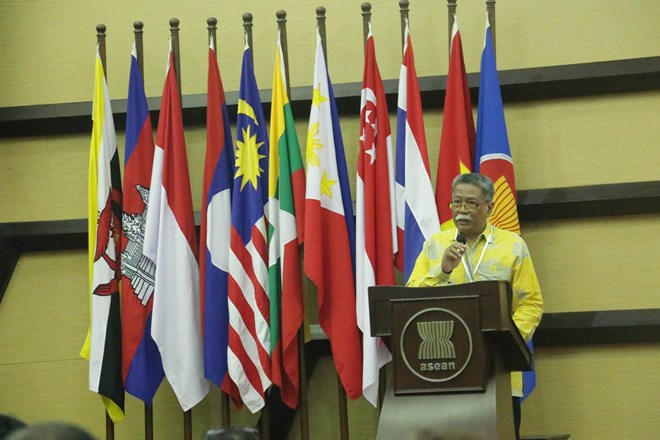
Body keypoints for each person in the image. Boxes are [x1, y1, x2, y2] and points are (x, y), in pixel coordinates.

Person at [406, 173, 543, 440]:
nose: (462, 210)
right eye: (456, 203)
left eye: (471, 203)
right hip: (444, 368)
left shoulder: (513, 246)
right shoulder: (435, 245)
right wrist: (442, 269)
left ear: (489, 207)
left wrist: (507, 342)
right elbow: (411, 299)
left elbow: (530, 303)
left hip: (498, 371)